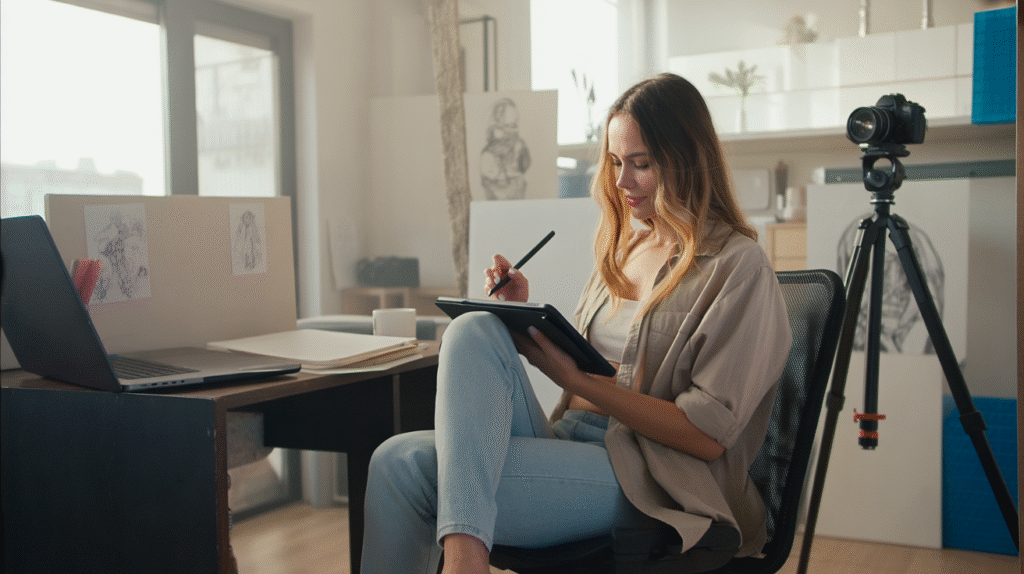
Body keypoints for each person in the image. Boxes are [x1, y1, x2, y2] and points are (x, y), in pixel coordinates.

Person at [361, 73, 792, 574]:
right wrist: (524, 319)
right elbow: (605, 365)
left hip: (651, 474)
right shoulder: (624, 248)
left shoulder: (738, 266)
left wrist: (573, 378)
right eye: (614, 163)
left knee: (420, 477)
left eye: (641, 164)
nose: (621, 182)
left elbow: (705, 436)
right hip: (572, 439)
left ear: (686, 159)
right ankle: (467, 561)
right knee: (459, 350)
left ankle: (463, 563)